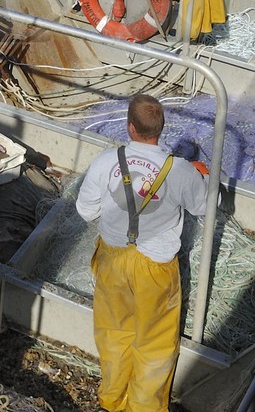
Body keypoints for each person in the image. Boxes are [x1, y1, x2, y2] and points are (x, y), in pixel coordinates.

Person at [75, 94, 210, 412]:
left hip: (112, 260)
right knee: (155, 343)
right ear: (161, 130)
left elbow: (85, 210)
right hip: (156, 268)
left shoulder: (107, 161)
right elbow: (204, 206)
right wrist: (201, 177)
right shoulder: (179, 170)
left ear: (130, 127)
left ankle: (112, 401)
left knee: (114, 333)